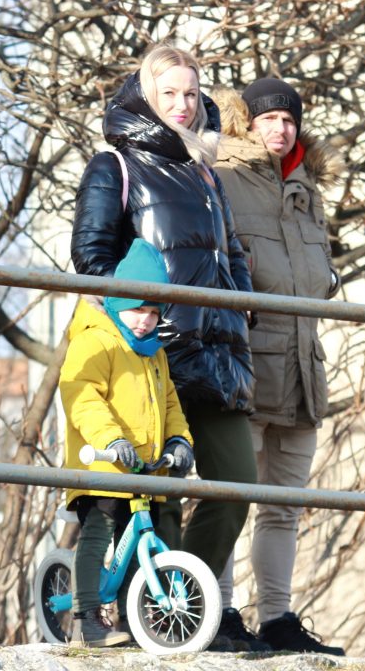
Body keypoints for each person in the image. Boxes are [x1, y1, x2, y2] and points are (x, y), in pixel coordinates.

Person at [70, 44, 256, 611]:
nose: (182, 104)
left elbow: (232, 253)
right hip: (152, 354)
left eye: (191, 94)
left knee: (237, 484)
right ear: (146, 96)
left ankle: (182, 606)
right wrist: (137, 320)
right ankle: (153, 618)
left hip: (218, 355)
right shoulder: (115, 165)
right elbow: (91, 256)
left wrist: (242, 304)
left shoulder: (206, 172)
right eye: (168, 92)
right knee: (158, 498)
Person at [210, 79, 345, 655]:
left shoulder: (307, 188)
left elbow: (318, 279)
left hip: (302, 370)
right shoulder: (222, 175)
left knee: (284, 506)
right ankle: (216, 613)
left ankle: (278, 618)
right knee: (227, 497)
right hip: (242, 366)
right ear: (246, 122)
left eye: (289, 120)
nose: (280, 128)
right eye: (268, 118)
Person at [59, 239, 195, 648]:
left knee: (135, 543)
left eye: (154, 312)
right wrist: (111, 438)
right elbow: (82, 395)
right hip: (103, 464)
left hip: (143, 467)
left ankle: (130, 619)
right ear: (117, 302)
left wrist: (179, 439)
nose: (145, 321)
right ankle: (86, 617)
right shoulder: (95, 341)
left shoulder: (154, 353)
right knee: (99, 532)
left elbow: (169, 403)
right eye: (137, 309)